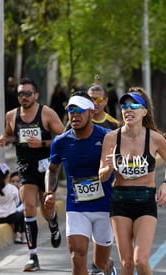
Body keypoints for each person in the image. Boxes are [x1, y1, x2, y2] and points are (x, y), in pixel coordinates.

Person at [99, 87, 166, 275]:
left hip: (145, 201)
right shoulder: (111, 138)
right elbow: (102, 176)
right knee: (126, 264)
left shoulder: (155, 139)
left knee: (140, 261)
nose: (128, 109)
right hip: (120, 201)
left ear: (144, 111)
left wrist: (165, 184)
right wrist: (109, 166)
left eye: (134, 105)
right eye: (124, 106)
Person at [0, 77, 65, 271]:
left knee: (46, 208)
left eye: (27, 93)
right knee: (28, 207)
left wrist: (42, 143)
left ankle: (52, 225)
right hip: (25, 166)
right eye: (20, 94)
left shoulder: (47, 113)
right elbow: (11, 134)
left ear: (36, 95)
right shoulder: (11, 115)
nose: (23, 97)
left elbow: (63, 138)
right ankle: (33, 256)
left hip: (46, 167)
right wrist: (5, 139)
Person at [45, 91, 116, 275]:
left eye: (80, 110)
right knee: (77, 256)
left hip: (105, 206)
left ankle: (108, 266)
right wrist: (49, 192)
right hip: (76, 207)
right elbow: (52, 169)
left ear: (91, 113)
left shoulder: (108, 137)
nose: (74, 115)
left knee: (99, 264)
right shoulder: (61, 142)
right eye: (71, 110)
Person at [0, 163, 25, 244]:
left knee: (16, 214)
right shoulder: (12, 189)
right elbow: (17, 202)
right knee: (21, 214)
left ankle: (19, 234)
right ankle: (21, 235)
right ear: (7, 176)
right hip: (10, 217)